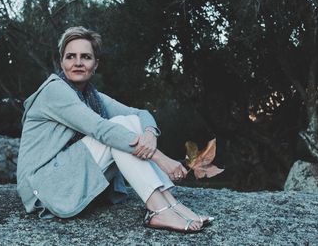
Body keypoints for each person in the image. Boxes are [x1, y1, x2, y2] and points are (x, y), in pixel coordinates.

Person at [17, 26, 213, 233]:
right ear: (62, 62)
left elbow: (140, 114)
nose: (77, 63)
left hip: (66, 174)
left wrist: (150, 134)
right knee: (117, 129)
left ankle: (171, 204)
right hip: (41, 186)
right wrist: (159, 157)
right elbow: (100, 129)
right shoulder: (55, 91)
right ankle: (159, 209)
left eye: (85, 57)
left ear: (95, 64)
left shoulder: (91, 95)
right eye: (70, 57)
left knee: (126, 122)